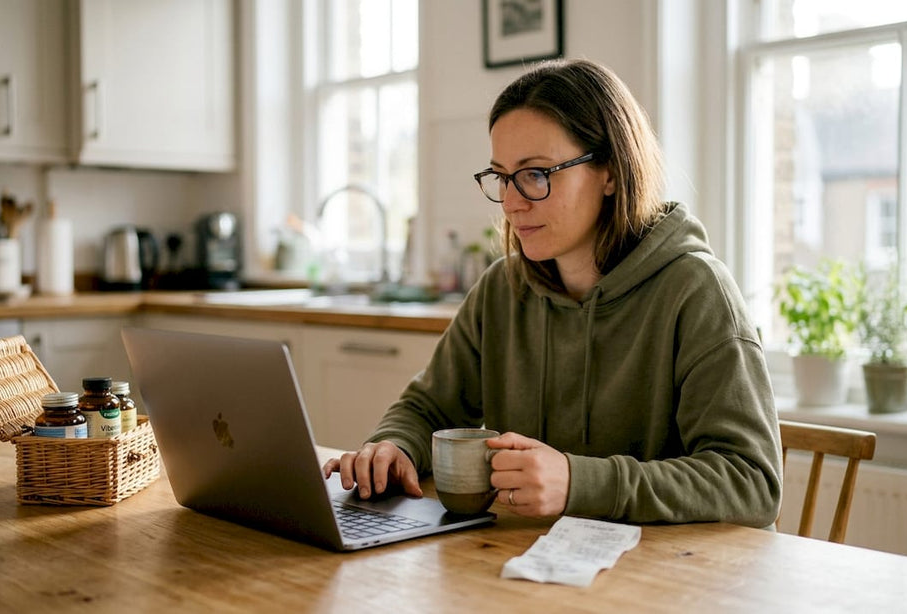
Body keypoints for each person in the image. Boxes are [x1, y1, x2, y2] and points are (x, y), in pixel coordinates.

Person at [323, 58, 781, 528]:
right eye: (502, 176)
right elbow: (427, 408)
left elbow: (752, 482)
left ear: (609, 172)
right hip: (518, 564)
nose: (512, 202)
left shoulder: (696, 291)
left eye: (537, 174)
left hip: (660, 585)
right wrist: (394, 446)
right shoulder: (502, 289)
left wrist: (578, 482)